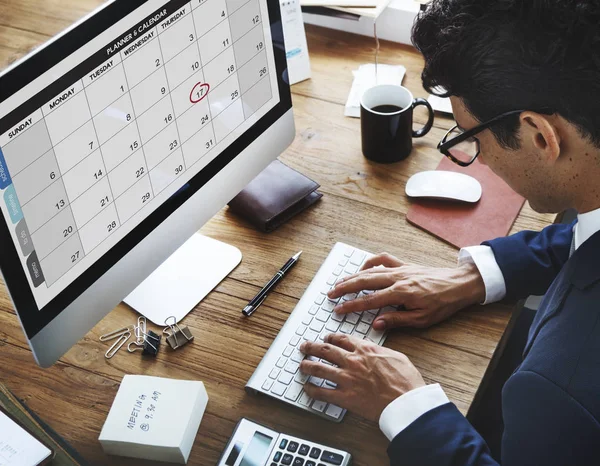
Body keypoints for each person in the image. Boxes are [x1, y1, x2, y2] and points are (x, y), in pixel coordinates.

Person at [298, 1, 600, 464]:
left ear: (540, 136)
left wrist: (409, 407)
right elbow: (585, 240)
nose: (478, 159)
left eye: (471, 138)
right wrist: (474, 276)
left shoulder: (557, 392)